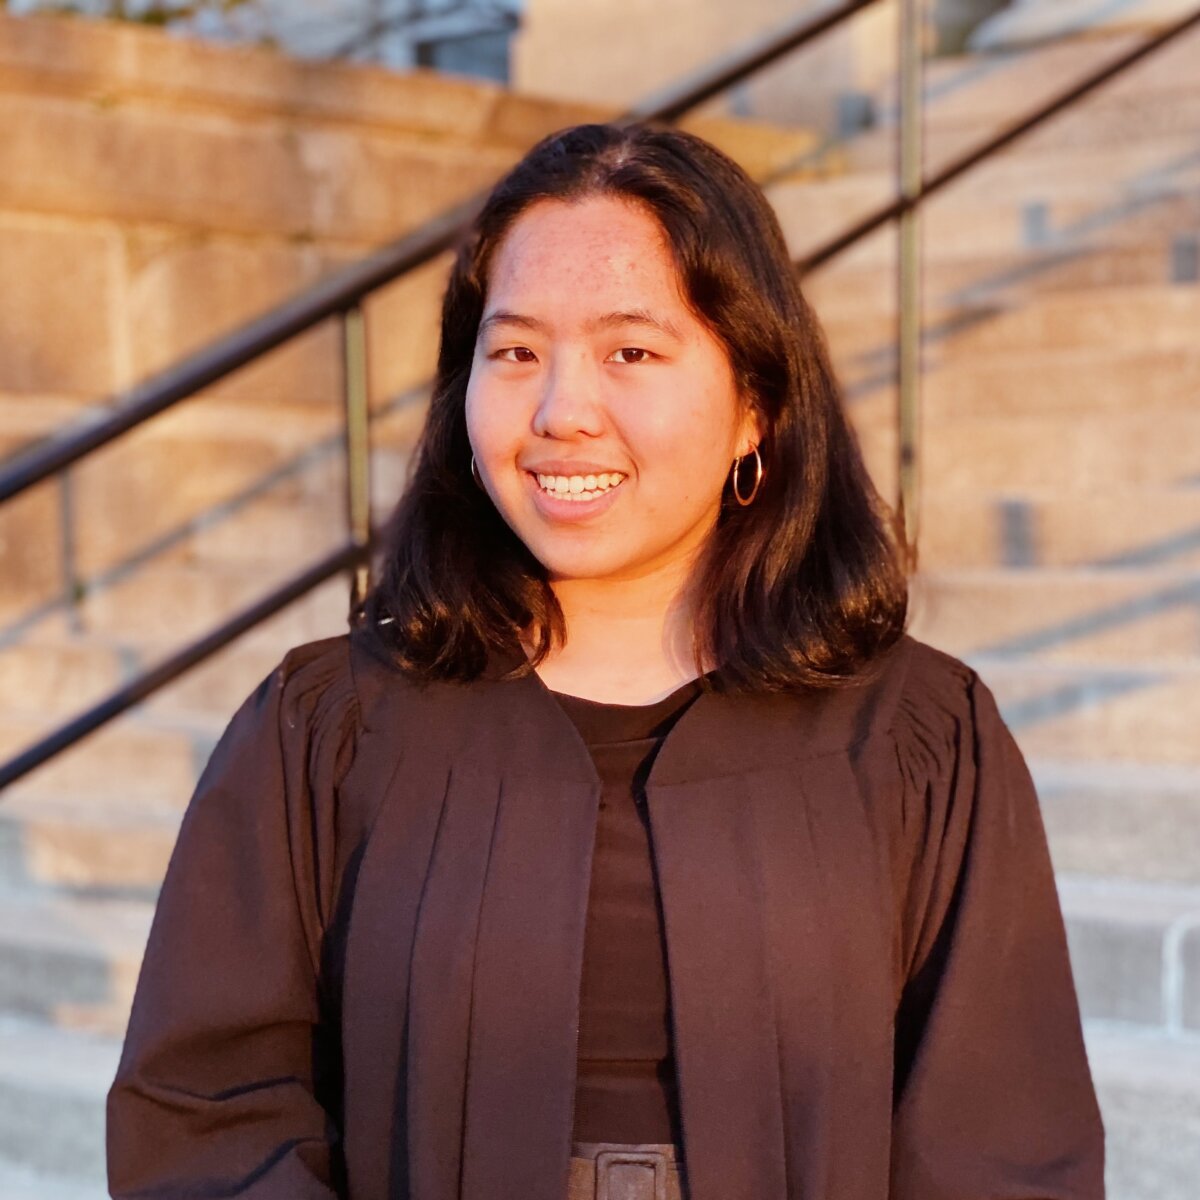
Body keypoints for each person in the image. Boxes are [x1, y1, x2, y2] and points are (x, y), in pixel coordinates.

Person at [106, 122, 1105, 1200]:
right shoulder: (329, 732)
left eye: (631, 351)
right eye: (516, 352)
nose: (560, 414)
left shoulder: (918, 742)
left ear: (754, 407)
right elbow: (207, 1119)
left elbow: (1003, 1150)